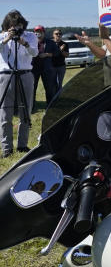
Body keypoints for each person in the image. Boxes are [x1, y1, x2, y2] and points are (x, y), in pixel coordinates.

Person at [1, 10, 39, 157]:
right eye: (12, 26)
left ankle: (22, 145)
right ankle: (7, 148)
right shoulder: (2, 36)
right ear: (7, 26)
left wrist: (24, 43)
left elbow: (35, 53)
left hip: (25, 74)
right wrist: (6, 39)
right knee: (5, 112)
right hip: (6, 75)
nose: (16, 28)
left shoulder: (30, 36)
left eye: (18, 25)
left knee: (26, 111)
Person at [30, 26, 59, 106]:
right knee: (32, 88)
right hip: (34, 69)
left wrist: (47, 54)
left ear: (44, 33)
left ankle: (50, 106)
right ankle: (31, 106)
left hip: (47, 69)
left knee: (49, 89)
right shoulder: (31, 42)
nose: (38, 33)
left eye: (40, 31)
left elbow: (57, 53)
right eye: (36, 31)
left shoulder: (50, 42)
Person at [51, 29, 69, 96]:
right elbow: (49, 54)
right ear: (53, 35)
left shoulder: (65, 44)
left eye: (60, 34)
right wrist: (59, 50)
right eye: (56, 34)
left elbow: (67, 55)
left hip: (61, 66)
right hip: (51, 66)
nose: (58, 35)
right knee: (52, 83)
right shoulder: (50, 43)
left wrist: (61, 51)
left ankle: (59, 98)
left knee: (59, 83)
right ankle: (52, 98)